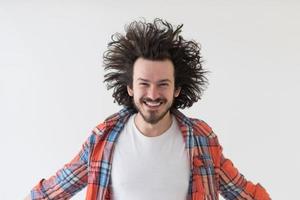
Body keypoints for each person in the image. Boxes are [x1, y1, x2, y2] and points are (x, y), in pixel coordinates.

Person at [25, 18, 270, 200]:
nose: (153, 94)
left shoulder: (202, 139)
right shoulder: (103, 138)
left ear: (177, 89)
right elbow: (54, 190)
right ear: (130, 87)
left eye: (163, 84)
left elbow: (241, 191)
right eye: (144, 84)